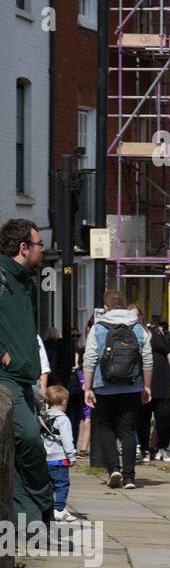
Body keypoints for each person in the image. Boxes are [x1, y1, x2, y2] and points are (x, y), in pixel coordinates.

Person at [0, 219, 51, 526]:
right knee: (30, 440)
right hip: (7, 378)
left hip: (24, 378)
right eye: (38, 244)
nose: (42, 250)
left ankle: (31, 521)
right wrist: (3, 356)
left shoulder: (25, 282)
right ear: (24, 248)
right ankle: (43, 502)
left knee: (24, 449)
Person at [83, 289, 153, 490]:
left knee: (105, 427)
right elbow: (147, 359)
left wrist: (87, 387)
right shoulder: (137, 327)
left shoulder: (98, 327)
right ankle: (129, 477)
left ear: (105, 307)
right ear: (124, 304)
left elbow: (90, 359)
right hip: (131, 386)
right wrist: (146, 386)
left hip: (104, 386)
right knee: (128, 430)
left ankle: (113, 468)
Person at [142, 316, 170, 462]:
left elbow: (169, 353)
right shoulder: (131, 335)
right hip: (143, 383)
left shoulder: (156, 334)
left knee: (164, 416)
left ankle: (162, 448)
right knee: (142, 419)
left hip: (161, 381)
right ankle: (145, 449)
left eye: (137, 315)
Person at [42, 385, 76, 523]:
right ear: (64, 402)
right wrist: (71, 455)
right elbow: (67, 440)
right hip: (60, 459)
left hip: (45, 458)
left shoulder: (43, 417)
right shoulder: (63, 419)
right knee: (62, 485)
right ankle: (59, 509)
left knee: (48, 485)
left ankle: (48, 509)